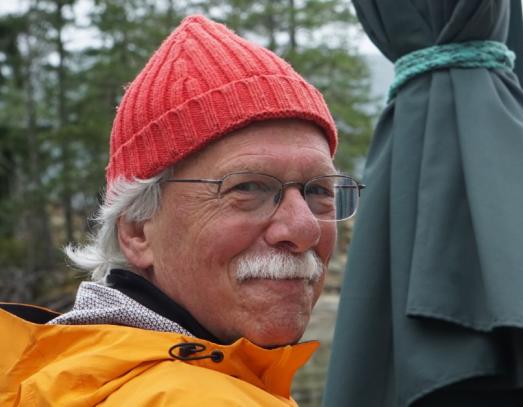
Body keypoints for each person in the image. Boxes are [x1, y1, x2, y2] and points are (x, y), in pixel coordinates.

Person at [0, 15, 363, 406]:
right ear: (138, 230)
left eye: (319, 191)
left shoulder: (63, 377)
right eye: (249, 187)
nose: (304, 227)